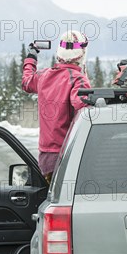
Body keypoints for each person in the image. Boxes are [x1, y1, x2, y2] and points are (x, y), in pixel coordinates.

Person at [21, 31, 91, 184]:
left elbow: (26, 82)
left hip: (45, 158)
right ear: (82, 54)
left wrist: (31, 57)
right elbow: (85, 109)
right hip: (67, 154)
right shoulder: (78, 79)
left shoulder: (44, 76)